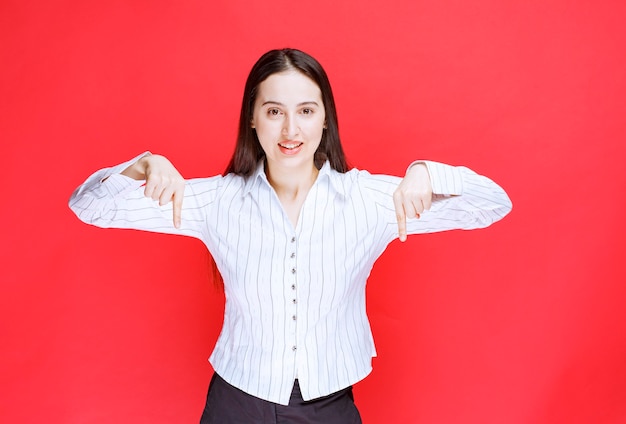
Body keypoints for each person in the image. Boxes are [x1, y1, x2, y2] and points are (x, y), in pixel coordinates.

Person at [69, 48, 512, 423]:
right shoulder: (216, 201)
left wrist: (426, 172)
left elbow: (493, 203)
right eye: (274, 111)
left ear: (325, 120)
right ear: (253, 120)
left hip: (331, 405)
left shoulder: (369, 199)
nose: (290, 130)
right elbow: (90, 206)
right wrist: (146, 164)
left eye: (305, 111)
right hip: (236, 402)